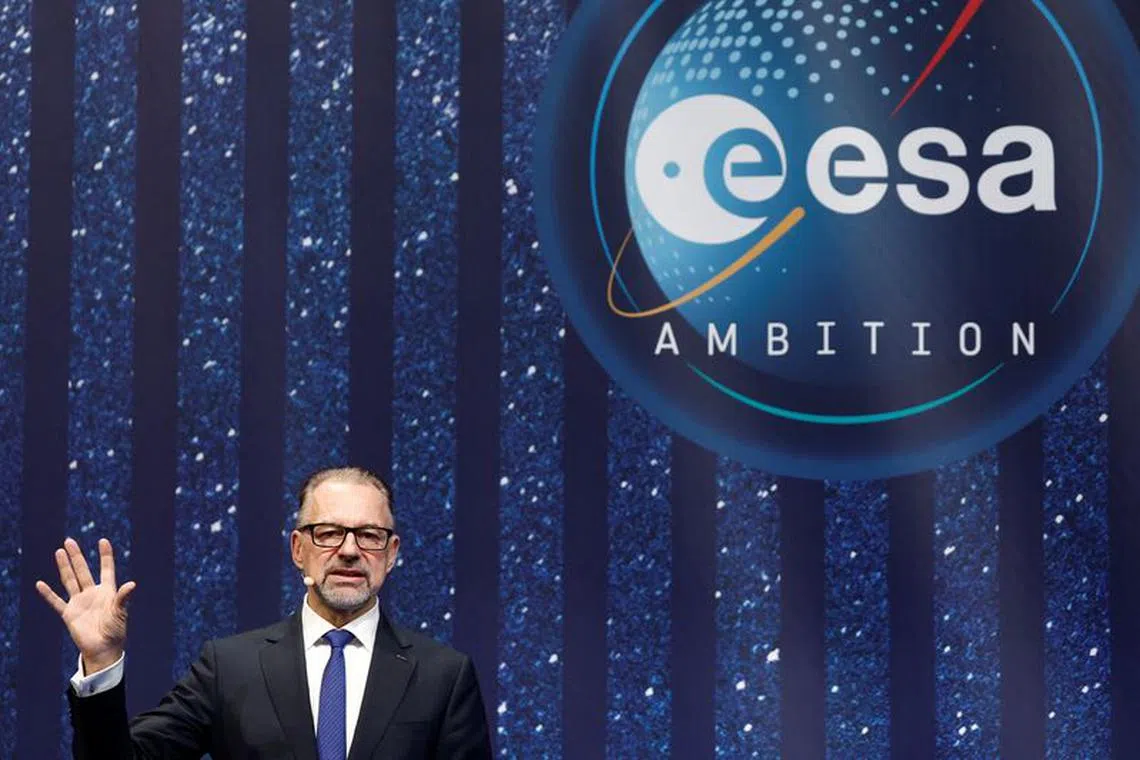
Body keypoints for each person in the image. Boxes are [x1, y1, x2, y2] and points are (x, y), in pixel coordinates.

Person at [37, 466, 493, 759]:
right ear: (298, 549)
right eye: (328, 532)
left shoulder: (444, 676)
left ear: (391, 554)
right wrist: (101, 661)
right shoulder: (229, 667)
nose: (349, 550)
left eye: (369, 535)